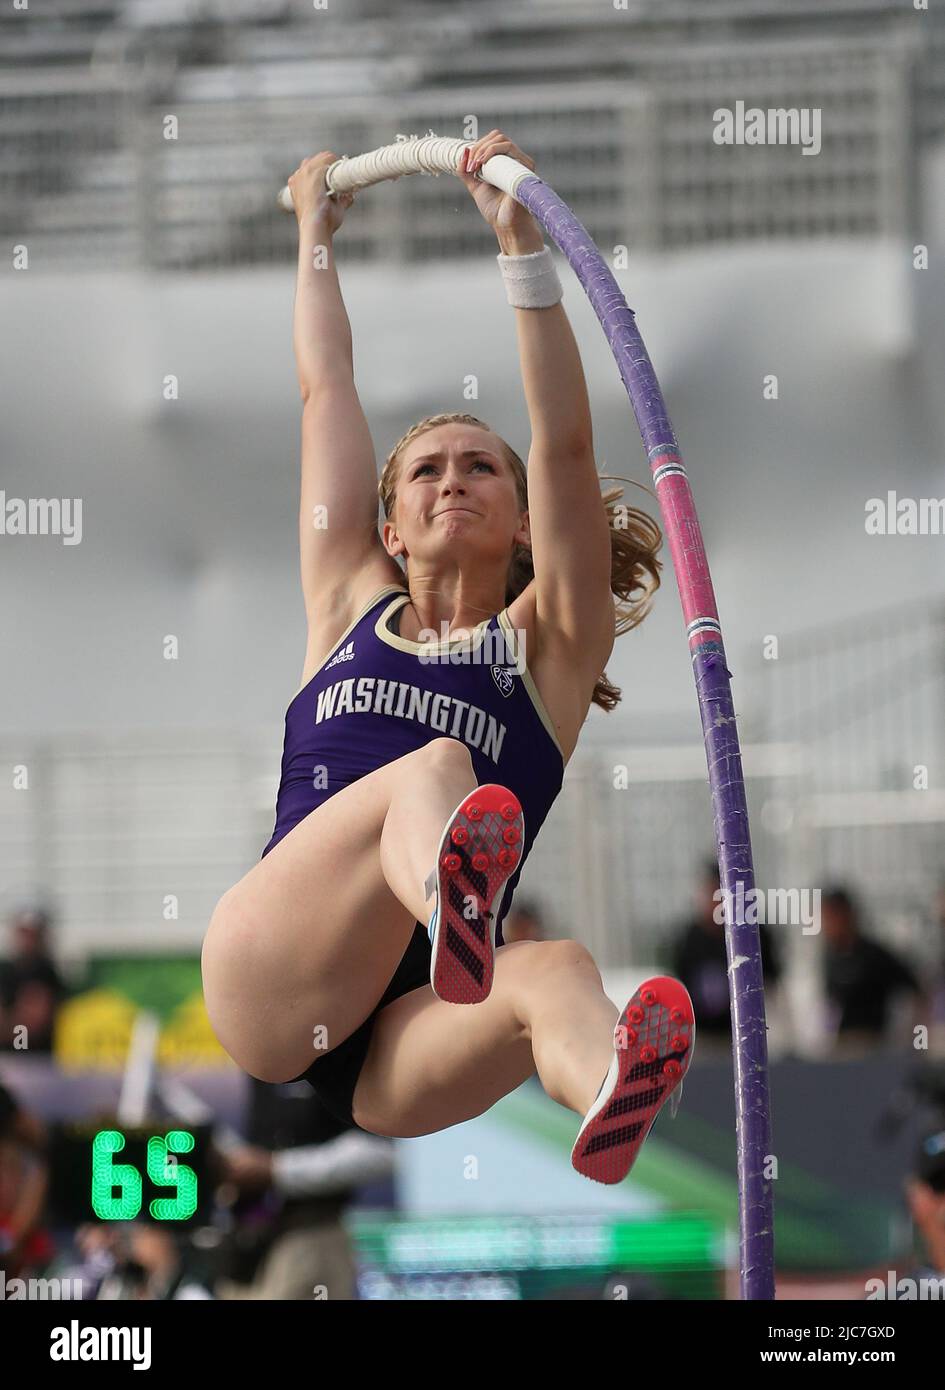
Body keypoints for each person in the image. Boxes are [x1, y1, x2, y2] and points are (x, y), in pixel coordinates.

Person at [201, 130, 695, 1188]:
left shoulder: (552, 650)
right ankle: (451, 896)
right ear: (389, 528)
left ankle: (606, 1082)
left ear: (525, 523)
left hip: (400, 1044)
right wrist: (313, 236)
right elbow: (325, 391)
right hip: (279, 969)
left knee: (560, 968)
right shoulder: (346, 601)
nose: (450, 481)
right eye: (424, 471)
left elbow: (564, 446)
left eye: (480, 466)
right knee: (431, 771)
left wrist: (519, 245)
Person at [669, 859, 781, 1046]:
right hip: (703, 1037)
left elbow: (773, 986)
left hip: (749, 1037)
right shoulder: (690, 940)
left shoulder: (754, 935)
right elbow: (679, 990)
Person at [821, 887, 923, 1047]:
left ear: (847, 915)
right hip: (841, 1046)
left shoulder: (874, 955)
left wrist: (912, 1040)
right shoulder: (830, 958)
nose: (826, 925)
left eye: (831, 917)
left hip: (872, 1046)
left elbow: (916, 991)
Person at [0, 905, 67, 1054]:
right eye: (24, 932)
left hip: (35, 1063)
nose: (27, 940)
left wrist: (15, 1038)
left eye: (33, 934)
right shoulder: (7, 972)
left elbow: (30, 1026)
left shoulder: (45, 973)